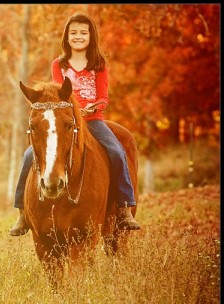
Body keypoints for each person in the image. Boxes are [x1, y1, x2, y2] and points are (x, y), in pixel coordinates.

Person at [9, 12, 141, 236]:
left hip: (93, 120)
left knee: (116, 150)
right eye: (73, 33)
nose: (78, 36)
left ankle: (124, 207)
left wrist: (95, 106)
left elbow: (103, 96)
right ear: (67, 37)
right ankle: (22, 212)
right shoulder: (58, 65)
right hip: (65, 122)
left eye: (83, 32)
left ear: (91, 36)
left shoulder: (98, 64)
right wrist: (69, 111)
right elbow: (60, 94)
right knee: (29, 156)